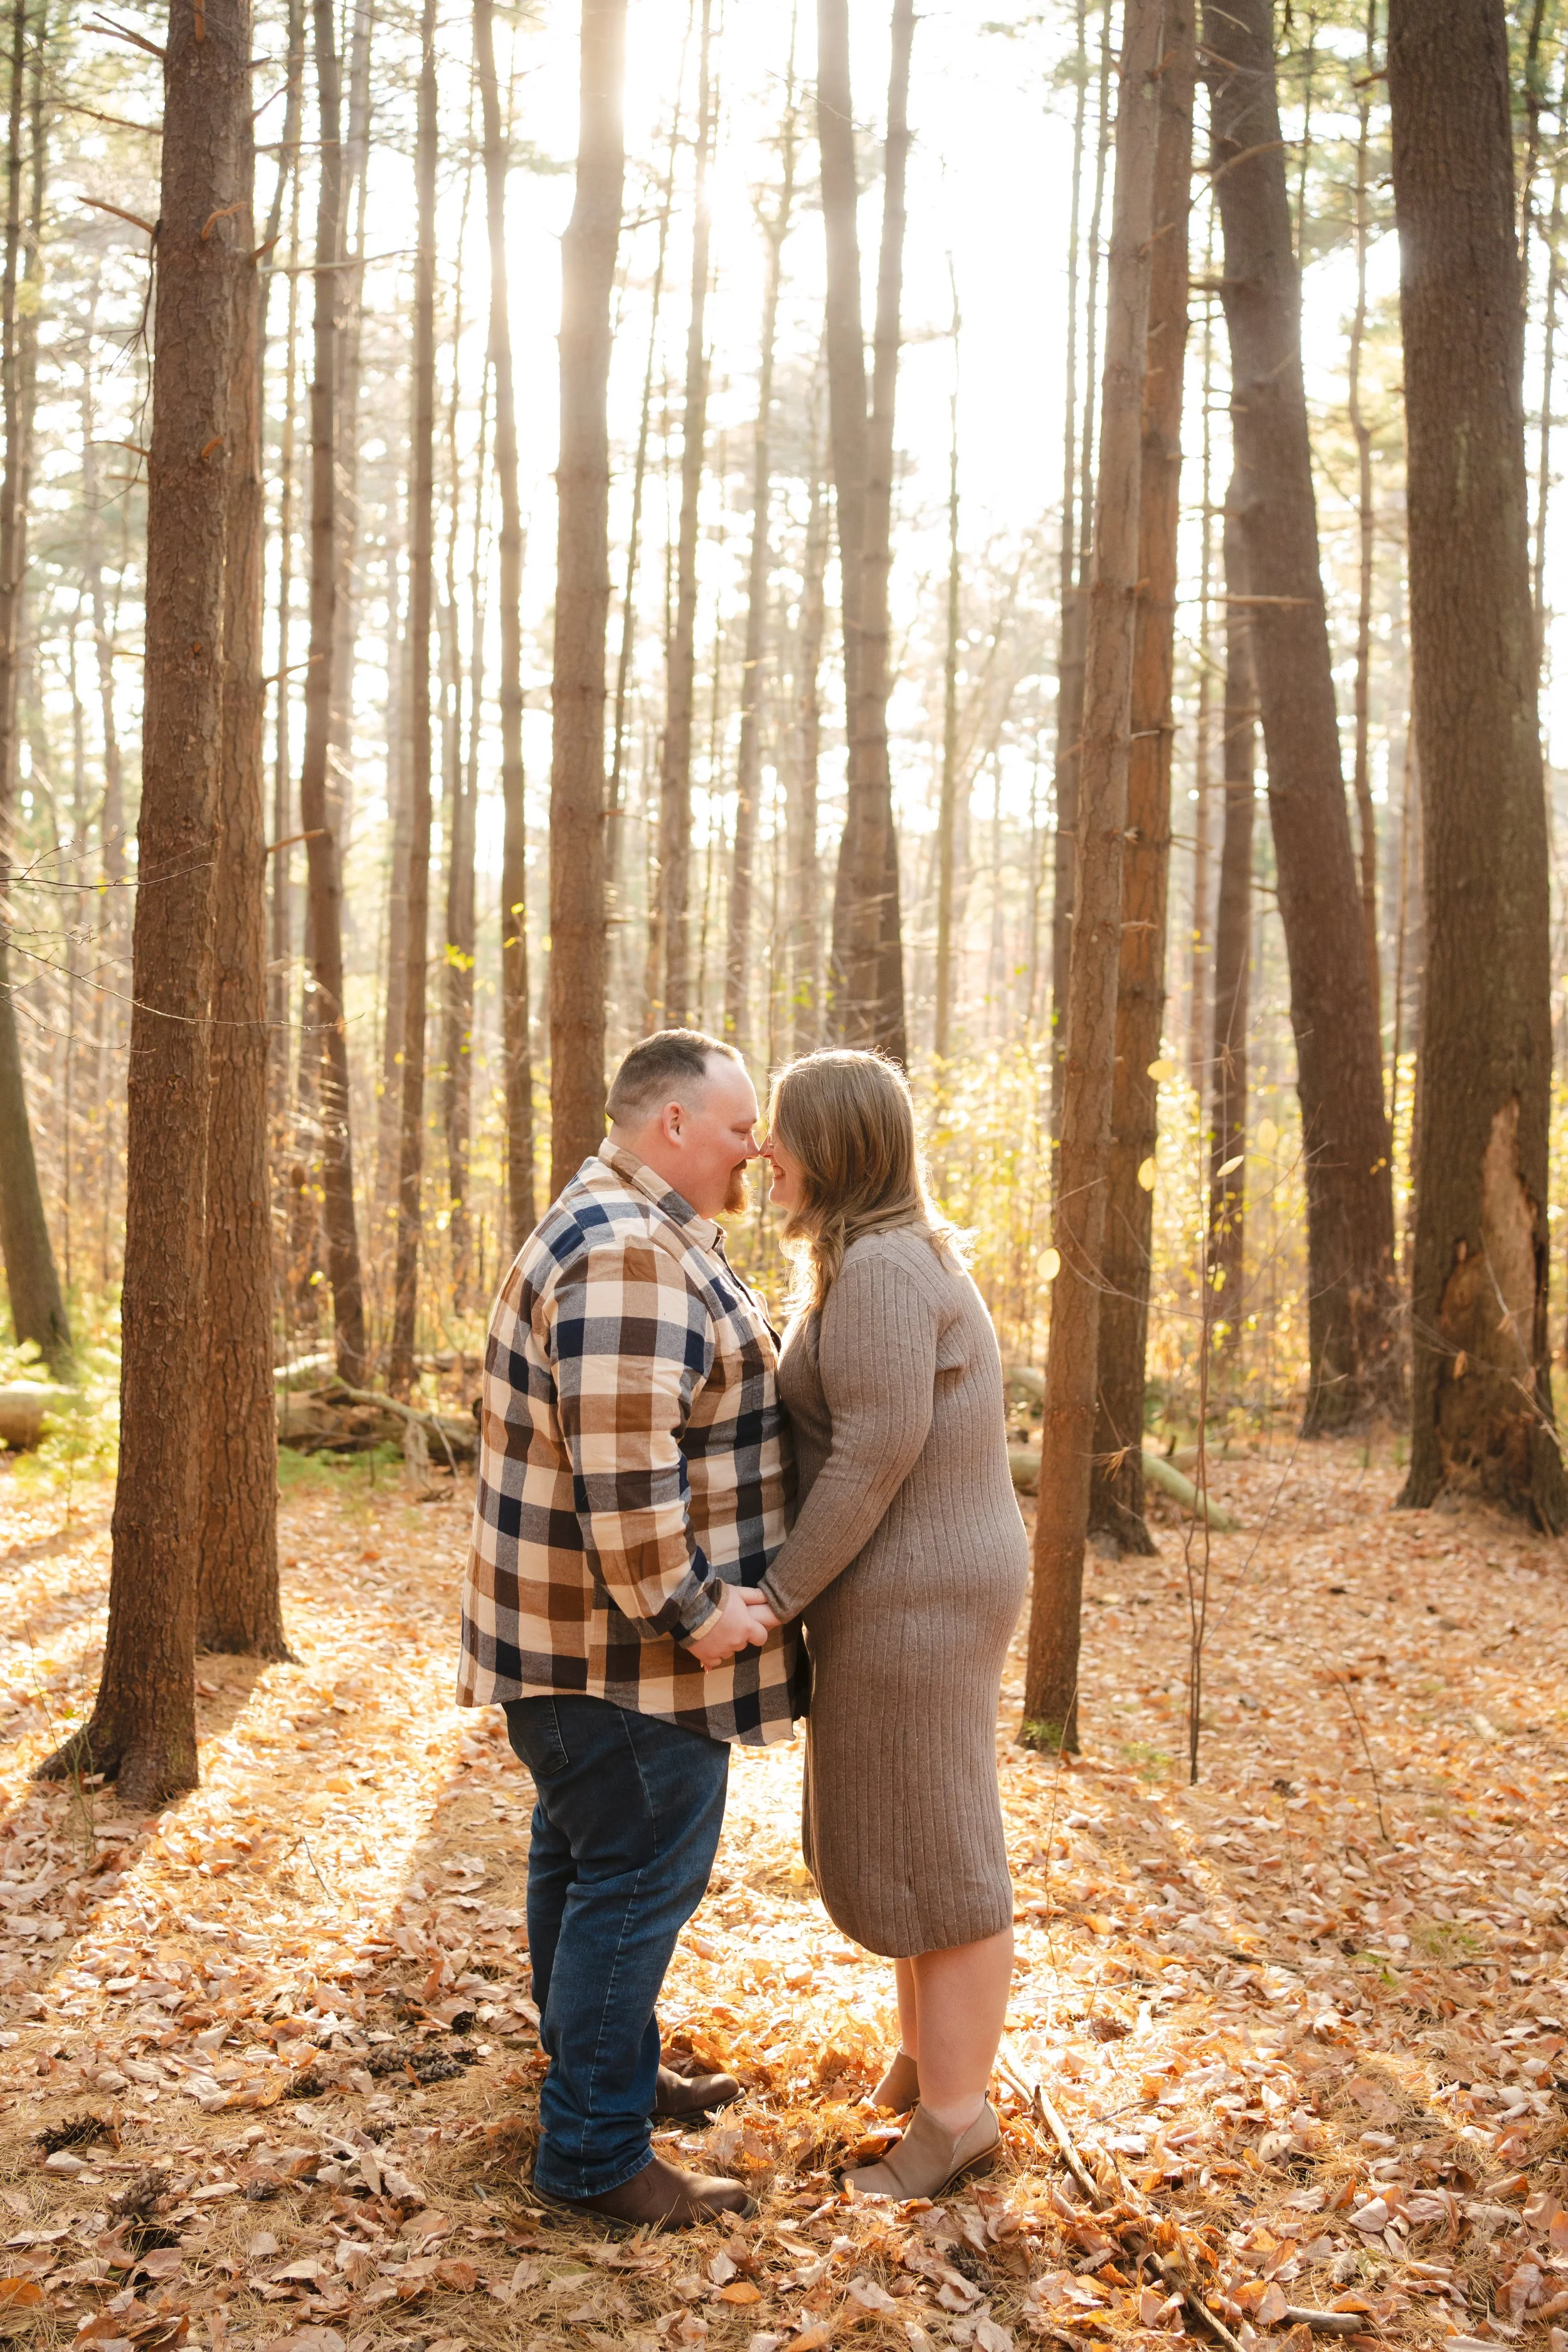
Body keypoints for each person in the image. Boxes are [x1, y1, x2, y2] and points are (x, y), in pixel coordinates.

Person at [458, 1029, 807, 2229]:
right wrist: (697, 1610)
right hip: (619, 1657)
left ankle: (603, 2074)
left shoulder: (634, 1228)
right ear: (671, 1124)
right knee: (637, 1875)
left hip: (580, 1651)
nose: (756, 1149)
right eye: (737, 1127)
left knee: (585, 1859)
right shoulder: (625, 1253)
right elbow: (626, 1466)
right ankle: (597, 2156)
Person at [752, 1048, 1029, 2201]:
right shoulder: (875, 1260)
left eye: (783, 1132)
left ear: (835, 1148)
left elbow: (871, 1454)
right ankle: (927, 2064)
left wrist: (774, 1596)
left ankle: (958, 2122)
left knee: (943, 1847)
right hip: (914, 1583)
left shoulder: (878, 1273)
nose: (766, 1152)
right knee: (914, 1827)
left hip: (920, 1589)